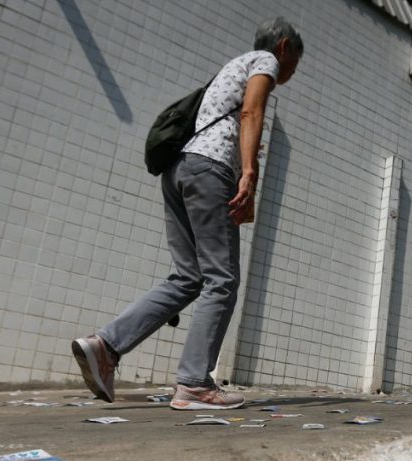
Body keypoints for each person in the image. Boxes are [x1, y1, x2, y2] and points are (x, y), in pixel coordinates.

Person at [72, 18, 303, 408]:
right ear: (283, 47)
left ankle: (106, 346)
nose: (292, 71)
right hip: (211, 170)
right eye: (295, 61)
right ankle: (195, 382)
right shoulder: (264, 61)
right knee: (222, 279)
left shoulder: (230, 69)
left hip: (180, 171)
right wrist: (249, 173)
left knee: (188, 277)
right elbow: (251, 114)